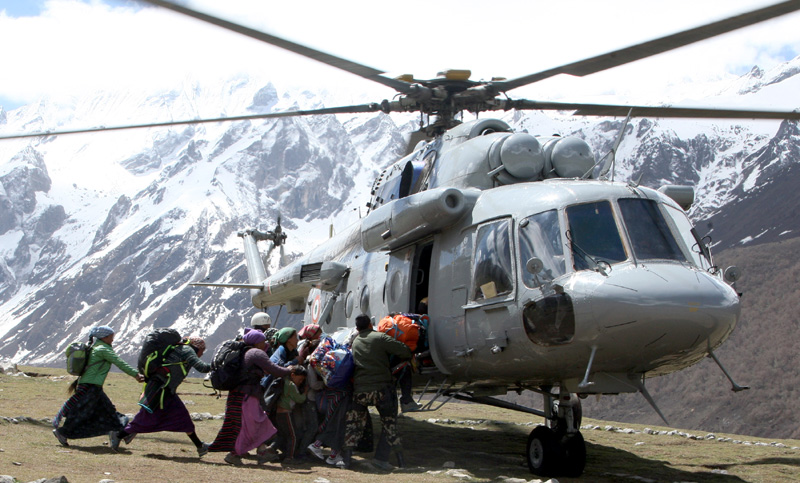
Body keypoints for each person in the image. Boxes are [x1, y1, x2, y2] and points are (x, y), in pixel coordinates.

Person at [208, 329, 295, 466]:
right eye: (263, 341)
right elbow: (275, 370)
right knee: (252, 424)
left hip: (238, 395)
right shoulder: (256, 353)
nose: (265, 343)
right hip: (247, 397)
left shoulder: (244, 353)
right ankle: (234, 455)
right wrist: (289, 369)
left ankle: (262, 452)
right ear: (258, 342)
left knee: (252, 423)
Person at [111, 337, 211, 456]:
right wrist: (221, 364)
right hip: (161, 390)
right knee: (146, 419)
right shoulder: (187, 350)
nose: (202, 354)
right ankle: (118, 434)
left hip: (166, 390)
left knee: (183, 418)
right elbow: (202, 367)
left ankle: (200, 446)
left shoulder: (179, 348)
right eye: (202, 351)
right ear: (198, 347)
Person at [52, 325, 144, 447]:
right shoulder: (103, 349)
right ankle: (63, 432)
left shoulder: (95, 347)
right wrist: (136, 375)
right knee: (83, 412)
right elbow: (119, 362)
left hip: (91, 386)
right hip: (91, 387)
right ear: (104, 337)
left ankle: (122, 433)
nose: (112, 340)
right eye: (111, 337)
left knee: (108, 410)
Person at [342, 314, 412, 470]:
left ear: (357, 327)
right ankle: (394, 461)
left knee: (353, 425)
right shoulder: (380, 337)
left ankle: (346, 461)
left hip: (360, 391)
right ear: (370, 325)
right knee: (389, 424)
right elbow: (404, 351)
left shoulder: (355, 342)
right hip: (382, 390)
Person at [274, 366, 308, 462]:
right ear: (293, 375)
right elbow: (299, 399)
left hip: (279, 413)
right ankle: (290, 457)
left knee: (284, 435)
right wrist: (305, 392)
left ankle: (279, 452)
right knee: (293, 436)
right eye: (300, 379)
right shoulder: (291, 385)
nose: (300, 382)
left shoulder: (285, 381)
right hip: (286, 413)